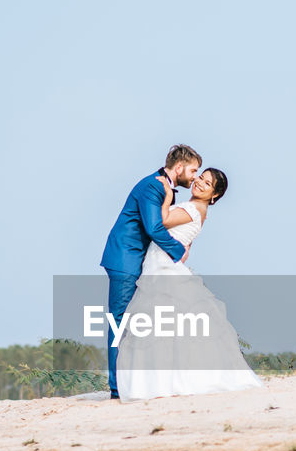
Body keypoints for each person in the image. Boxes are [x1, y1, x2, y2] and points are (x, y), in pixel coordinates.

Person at [115, 167, 263, 402]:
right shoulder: (199, 210)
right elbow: (185, 251)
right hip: (160, 264)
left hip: (162, 268)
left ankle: (168, 381)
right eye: (200, 178)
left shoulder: (194, 208)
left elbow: (161, 221)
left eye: (207, 184)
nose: (199, 183)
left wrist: (165, 193)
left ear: (214, 195)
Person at [100, 145, 202, 398]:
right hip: (125, 259)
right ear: (178, 168)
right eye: (193, 170)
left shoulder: (163, 188)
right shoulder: (153, 186)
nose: (195, 177)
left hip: (135, 260)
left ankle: (132, 382)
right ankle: (116, 388)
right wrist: (179, 252)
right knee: (119, 322)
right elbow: (155, 227)